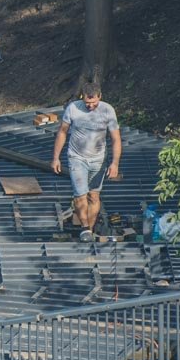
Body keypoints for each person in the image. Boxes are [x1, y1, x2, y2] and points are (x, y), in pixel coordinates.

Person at [51, 82, 122, 243]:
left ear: (100, 97)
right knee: (80, 194)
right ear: (82, 97)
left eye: (93, 102)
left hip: (98, 159)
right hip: (77, 157)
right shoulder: (73, 108)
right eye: (87, 103)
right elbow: (62, 132)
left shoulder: (107, 110)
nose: (90, 106)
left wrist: (115, 163)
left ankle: (89, 229)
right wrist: (56, 158)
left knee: (94, 196)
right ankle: (84, 228)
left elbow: (116, 139)